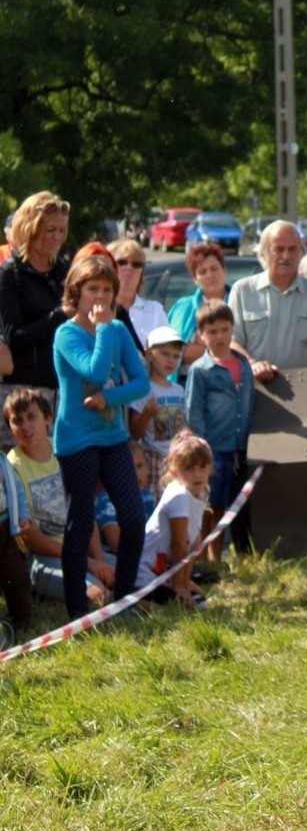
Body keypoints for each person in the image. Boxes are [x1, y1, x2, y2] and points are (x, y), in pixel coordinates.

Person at [52, 254, 149, 618]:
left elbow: (139, 382)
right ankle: (76, 610)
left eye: (107, 290)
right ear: (76, 292)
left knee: (134, 516)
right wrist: (104, 329)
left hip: (113, 437)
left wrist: (109, 397)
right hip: (76, 439)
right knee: (80, 525)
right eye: (93, 289)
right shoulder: (66, 333)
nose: (101, 297)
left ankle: (122, 599)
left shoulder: (118, 330)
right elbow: (92, 367)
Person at [5, 387, 114, 608]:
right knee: (98, 595)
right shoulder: (11, 467)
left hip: (80, 549)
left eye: (31, 417)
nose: (25, 426)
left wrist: (99, 560)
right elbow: (29, 537)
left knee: (130, 575)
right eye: (17, 421)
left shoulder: (68, 450)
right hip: (41, 557)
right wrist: (87, 562)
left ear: (48, 418)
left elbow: (86, 512)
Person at [229, 220, 307, 382]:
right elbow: (232, 341)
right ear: (264, 252)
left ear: (301, 252)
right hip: (256, 387)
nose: (286, 256)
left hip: (305, 387)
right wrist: (252, 364)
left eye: (292, 249)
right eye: (279, 249)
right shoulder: (243, 291)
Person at [185, 300, 254, 560]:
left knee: (229, 506)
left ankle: (221, 556)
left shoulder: (244, 365)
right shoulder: (200, 371)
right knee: (209, 506)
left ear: (232, 330)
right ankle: (203, 559)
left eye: (224, 330)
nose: (219, 337)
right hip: (214, 449)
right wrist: (202, 452)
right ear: (201, 335)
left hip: (240, 448)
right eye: (212, 332)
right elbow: (194, 412)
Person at [0, 191, 70, 399]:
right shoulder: (10, 273)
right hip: (24, 390)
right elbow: (14, 338)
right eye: (50, 230)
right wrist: (60, 314)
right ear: (30, 228)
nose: (57, 237)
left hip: (65, 386)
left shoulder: (64, 269)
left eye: (62, 230)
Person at [135, 430, 212, 607]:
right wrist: (179, 586)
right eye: (189, 468)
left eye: (202, 467)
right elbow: (179, 545)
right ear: (175, 471)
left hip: (165, 573)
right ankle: (138, 602)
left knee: (200, 604)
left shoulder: (199, 496)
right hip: (145, 574)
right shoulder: (179, 496)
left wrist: (185, 582)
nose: (197, 474)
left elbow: (192, 547)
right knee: (177, 605)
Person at [129, 325, 188, 496]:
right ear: (148, 354)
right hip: (153, 457)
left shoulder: (179, 390)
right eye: (165, 354)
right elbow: (135, 431)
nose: (171, 360)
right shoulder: (143, 389)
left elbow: (183, 424)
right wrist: (147, 414)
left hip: (176, 457)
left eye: (176, 356)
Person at [167, 241, 231, 373]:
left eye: (214, 269)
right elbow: (171, 352)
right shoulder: (182, 308)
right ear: (195, 279)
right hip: (186, 386)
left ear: (224, 271)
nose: (210, 275)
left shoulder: (241, 302)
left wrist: (201, 347)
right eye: (202, 272)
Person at [96, 441, 157, 555]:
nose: (135, 474)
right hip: (113, 560)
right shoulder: (106, 500)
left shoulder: (147, 497)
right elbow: (116, 544)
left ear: (147, 468)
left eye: (139, 466)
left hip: (141, 553)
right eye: (127, 468)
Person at [108, 237, 168, 349]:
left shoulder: (155, 311)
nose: (129, 268)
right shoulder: (98, 308)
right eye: (122, 262)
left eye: (136, 264)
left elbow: (168, 353)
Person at [0, 445, 33, 636]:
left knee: (16, 575)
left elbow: (17, 490)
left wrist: (23, 515)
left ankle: (22, 619)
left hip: (6, 530)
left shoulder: (3, 462)